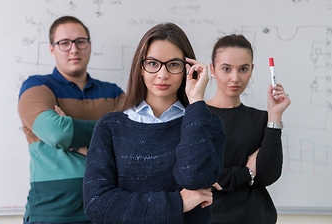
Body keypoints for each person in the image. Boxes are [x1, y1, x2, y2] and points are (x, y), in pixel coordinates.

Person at [83, 22, 226, 224]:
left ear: (189, 69)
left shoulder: (207, 123)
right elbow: (97, 204)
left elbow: (194, 177)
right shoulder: (110, 127)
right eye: (152, 63)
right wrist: (178, 203)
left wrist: (196, 102)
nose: (162, 74)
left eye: (174, 64)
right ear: (140, 68)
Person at [18, 16, 124, 223]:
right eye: (64, 43)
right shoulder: (36, 87)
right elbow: (58, 133)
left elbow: (135, 136)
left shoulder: (113, 92)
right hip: (51, 213)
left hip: (106, 209)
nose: (74, 49)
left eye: (80, 42)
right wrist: (108, 132)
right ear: (52, 49)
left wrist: (74, 144)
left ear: (90, 46)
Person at [206, 34, 291, 224]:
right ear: (212, 70)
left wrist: (275, 116)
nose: (235, 78)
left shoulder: (262, 119)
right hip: (210, 218)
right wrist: (247, 173)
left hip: (255, 217)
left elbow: (268, 176)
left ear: (251, 70)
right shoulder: (196, 117)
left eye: (243, 69)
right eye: (226, 69)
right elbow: (200, 179)